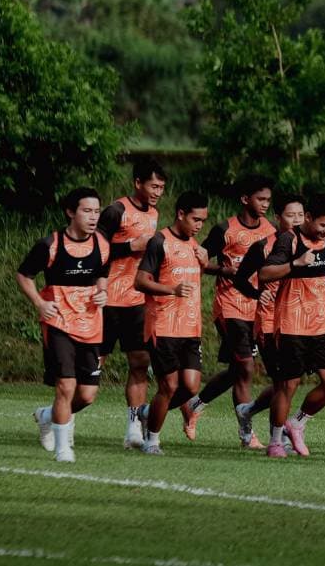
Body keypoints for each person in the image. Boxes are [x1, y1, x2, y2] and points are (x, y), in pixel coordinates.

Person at [181, 176, 276, 448]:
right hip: (230, 304)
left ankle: (194, 404)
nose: (265, 204)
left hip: (257, 307)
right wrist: (225, 270)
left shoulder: (270, 231)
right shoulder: (225, 230)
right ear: (245, 199)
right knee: (246, 366)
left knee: (238, 370)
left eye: (268, 200)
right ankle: (247, 435)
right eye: (260, 199)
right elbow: (199, 261)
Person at [19, 188, 110, 462]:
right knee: (66, 386)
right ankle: (63, 449)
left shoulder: (103, 244)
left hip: (91, 324)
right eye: (87, 211)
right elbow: (24, 275)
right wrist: (39, 303)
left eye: (96, 211)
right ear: (71, 212)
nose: (93, 217)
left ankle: (48, 416)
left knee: (87, 395)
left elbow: (102, 273)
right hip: (58, 321)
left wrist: (102, 291)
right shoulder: (50, 245)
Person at [259, 192, 325, 458]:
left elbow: (321, 271)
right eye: (322, 225)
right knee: (288, 385)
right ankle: (275, 440)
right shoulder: (289, 239)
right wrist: (295, 263)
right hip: (291, 324)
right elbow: (265, 273)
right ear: (307, 218)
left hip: (321, 324)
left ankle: (296, 423)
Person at [134, 191, 210, 455]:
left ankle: (147, 412)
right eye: (195, 219)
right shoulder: (159, 242)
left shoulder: (194, 244)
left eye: (203, 220)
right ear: (180, 214)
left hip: (190, 327)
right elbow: (140, 281)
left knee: (190, 387)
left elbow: (193, 273)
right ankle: (151, 441)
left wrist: (204, 262)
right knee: (169, 386)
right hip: (163, 325)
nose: (199, 225)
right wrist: (171, 290)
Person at [97, 159, 165, 449]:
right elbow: (92, 249)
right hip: (107, 299)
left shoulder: (154, 213)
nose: (157, 192)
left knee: (139, 363)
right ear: (138, 183)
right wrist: (128, 247)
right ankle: (58, 417)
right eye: (153, 186)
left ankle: (133, 427)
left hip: (137, 301)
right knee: (93, 364)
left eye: (161, 187)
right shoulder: (116, 210)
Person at [230, 194, 306, 450]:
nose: (296, 220)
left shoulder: (308, 245)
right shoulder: (263, 246)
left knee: (288, 382)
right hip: (270, 321)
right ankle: (279, 436)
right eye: (290, 215)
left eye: (300, 215)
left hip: (297, 320)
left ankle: (249, 410)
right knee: (285, 381)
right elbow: (240, 279)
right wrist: (256, 293)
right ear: (277, 218)